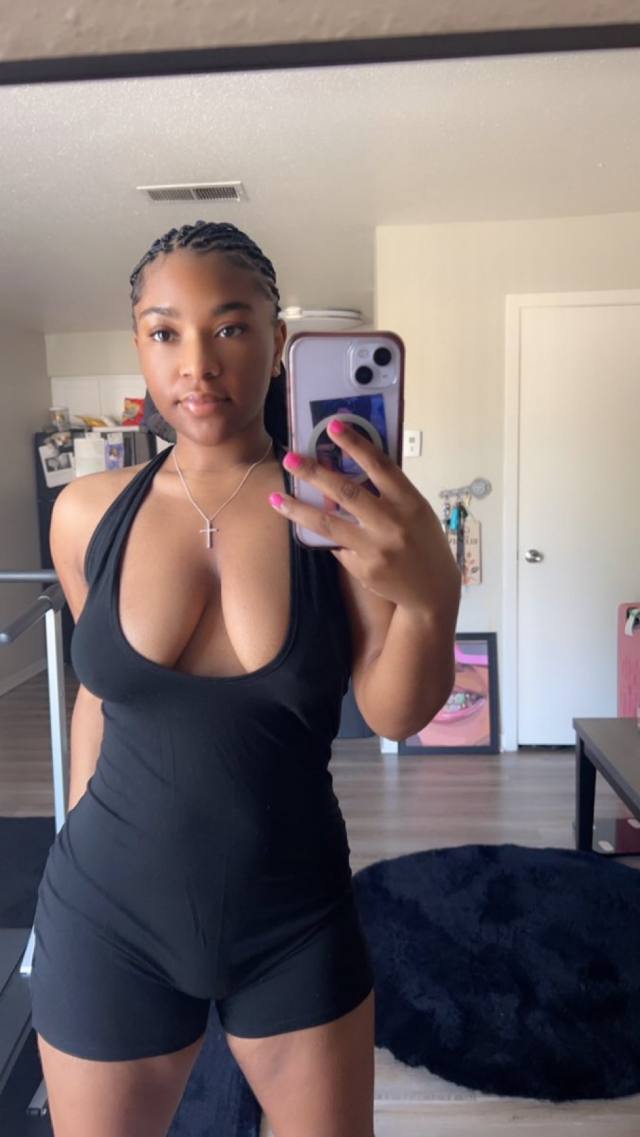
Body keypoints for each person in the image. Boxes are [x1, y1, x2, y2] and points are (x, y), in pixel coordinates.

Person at [29, 220, 462, 1137]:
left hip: (293, 920)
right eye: (164, 331)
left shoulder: (340, 512)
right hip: (106, 916)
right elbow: (101, 692)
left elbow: (394, 709)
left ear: (278, 342)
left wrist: (432, 598)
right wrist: (73, 840)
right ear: (139, 343)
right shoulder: (85, 514)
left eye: (230, 326)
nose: (196, 363)